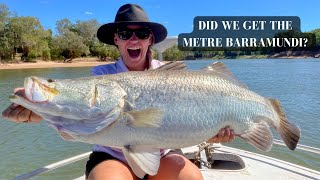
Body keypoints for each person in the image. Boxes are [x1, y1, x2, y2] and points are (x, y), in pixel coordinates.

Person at [2, 4, 235, 180]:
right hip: (113, 155)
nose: (133, 39)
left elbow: (191, 118)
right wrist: (42, 112)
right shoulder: (101, 75)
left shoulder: (170, 74)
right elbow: (83, 119)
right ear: (116, 40)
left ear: (150, 40)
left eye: (141, 34)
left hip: (163, 151)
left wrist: (212, 130)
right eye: (125, 34)